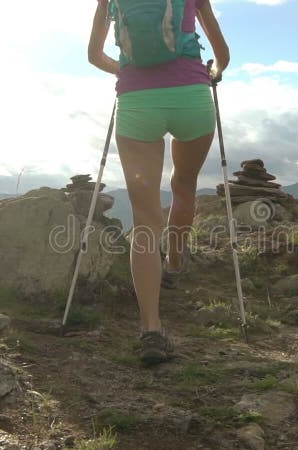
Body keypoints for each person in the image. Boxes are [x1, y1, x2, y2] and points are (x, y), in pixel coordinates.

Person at [88, 0, 230, 365]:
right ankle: (175, 263)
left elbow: (94, 55)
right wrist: (212, 71)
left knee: (144, 218)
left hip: (136, 103)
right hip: (192, 99)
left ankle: (150, 329)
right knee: (184, 186)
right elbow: (222, 55)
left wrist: (124, 71)